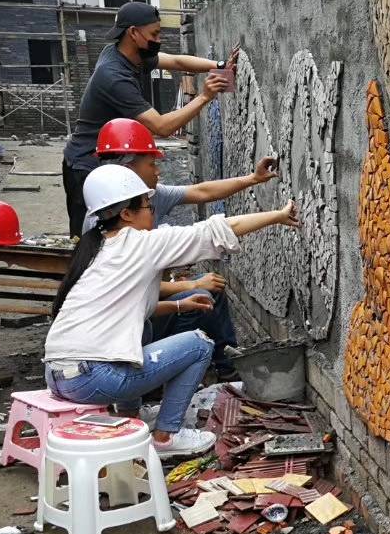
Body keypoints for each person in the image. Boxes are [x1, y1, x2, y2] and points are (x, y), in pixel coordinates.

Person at [43, 163, 299, 458]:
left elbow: (128, 311)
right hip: (93, 380)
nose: (152, 211)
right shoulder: (141, 244)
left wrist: (180, 304)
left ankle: (132, 419)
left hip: (59, 377)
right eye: (147, 206)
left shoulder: (96, 247)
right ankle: (165, 437)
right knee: (199, 344)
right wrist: (278, 215)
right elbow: (217, 231)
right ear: (126, 213)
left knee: (145, 329)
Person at [94, 116, 277, 379]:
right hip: (117, 338)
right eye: (152, 163)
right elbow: (129, 292)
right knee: (199, 306)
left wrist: (253, 179)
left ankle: (224, 366)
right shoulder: (106, 222)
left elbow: (202, 192)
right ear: (129, 169)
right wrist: (188, 286)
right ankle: (160, 373)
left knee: (205, 294)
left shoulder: (147, 196)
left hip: (128, 317)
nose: (158, 170)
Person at [61, 0, 238, 236]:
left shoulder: (130, 54)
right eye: (154, 33)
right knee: (94, 238)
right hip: (87, 165)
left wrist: (220, 65)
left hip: (113, 157)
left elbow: (177, 61)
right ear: (133, 33)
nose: (159, 39)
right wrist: (205, 96)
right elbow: (162, 126)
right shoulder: (114, 76)